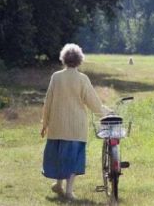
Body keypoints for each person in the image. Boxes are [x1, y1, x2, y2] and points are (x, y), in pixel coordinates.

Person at [40, 43, 110, 200]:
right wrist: (104, 114)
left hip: (57, 126)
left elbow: (48, 102)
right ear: (80, 60)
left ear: (63, 59)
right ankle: (69, 191)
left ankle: (58, 185)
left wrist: (45, 123)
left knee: (59, 156)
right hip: (76, 127)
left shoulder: (56, 77)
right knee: (73, 158)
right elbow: (93, 102)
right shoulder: (82, 79)